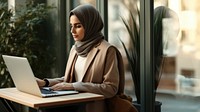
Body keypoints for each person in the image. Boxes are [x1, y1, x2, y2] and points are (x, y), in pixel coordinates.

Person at [36, 4, 125, 112]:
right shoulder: (75, 49)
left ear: (91, 25)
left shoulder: (107, 50)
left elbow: (111, 88)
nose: (72, 31)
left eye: (78, 26)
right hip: (72, 104)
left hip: (91, 107)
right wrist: (45, 83)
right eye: (71, 25)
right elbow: (68, 79)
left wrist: (74, 86)